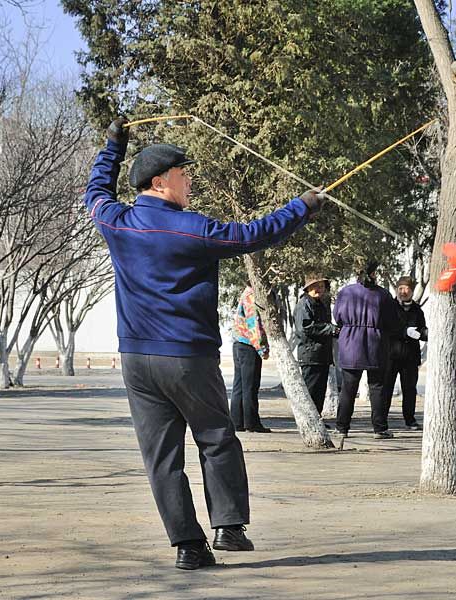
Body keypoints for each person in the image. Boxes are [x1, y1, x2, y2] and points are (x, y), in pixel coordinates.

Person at [84, 118, 325, 570]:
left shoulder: (116, 222)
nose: (189, 180)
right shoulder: (191, 229)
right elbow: (254, 234)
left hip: (136, 360)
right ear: (160, 182)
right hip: (188, 358)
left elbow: (95, 190)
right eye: (183, 174)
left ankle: (189, 548)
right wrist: (303, 206)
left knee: (162, 458)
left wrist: (113, 145)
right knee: (217, 438)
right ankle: (229, 527)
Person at [333, 259, 397, 439]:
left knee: (348, 389)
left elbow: (338, 316)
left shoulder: (345, 292)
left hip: (349, 345)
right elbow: (392, 321)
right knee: (377, 388)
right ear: (373, 274)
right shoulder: (383, 295)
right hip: (375, 345)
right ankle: (379, 428)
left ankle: (342, 428)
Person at [383, 276, 427, 430]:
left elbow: (421, 328)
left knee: (409, 389)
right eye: (400, 288)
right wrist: (404, 332)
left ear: (412, 291)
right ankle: (381, 420)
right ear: (396, 290)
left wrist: (425, 334)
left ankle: (410, 419)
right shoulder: (389, 307)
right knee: (386, 388)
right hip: (391, 355)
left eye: (407, 289)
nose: (403, 292)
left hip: (410, 357)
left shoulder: (417, 310)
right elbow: (385, 328)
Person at [293, 273, 337, 416]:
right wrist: (329, 329)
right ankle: (310, 420)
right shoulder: (304, 304)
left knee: (319, 392)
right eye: (315, 286)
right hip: (310, 356)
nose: (319, 289)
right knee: (311, 392)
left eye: (321, 286)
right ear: (307, 288)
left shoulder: (320, 303)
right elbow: (306, 327)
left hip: (322, 356)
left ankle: (317, 420)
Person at [231, 286, 271, 434]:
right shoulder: (252, 295)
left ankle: (237, 422)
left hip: (239, 343)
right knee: (250, 386)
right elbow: (254, 323)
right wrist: (262, 348)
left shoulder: (246, 292)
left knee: (240, 385)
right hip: (249, 345)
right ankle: (251, 423)